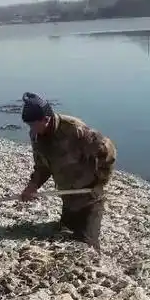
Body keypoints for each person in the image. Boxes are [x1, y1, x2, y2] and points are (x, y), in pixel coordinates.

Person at [19, 92, 116, 252]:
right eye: (29, 126)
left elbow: (106, 150)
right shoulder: (36, 136)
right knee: (64, 236)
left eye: (34, 124)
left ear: (46, 118)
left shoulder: (75, 130)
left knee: (87, 247)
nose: (32, 129)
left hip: (89, 197)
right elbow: (42, 166)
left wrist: (101, 181)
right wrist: (33, 186)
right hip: (68, 195)